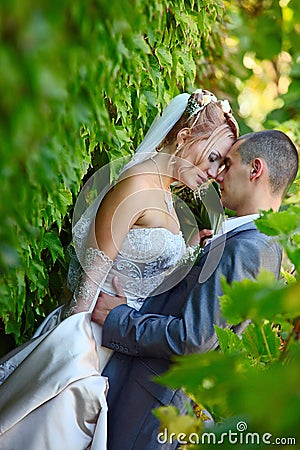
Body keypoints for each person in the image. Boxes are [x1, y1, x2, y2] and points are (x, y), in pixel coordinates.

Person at [0, 89, 239, 450]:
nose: (212, 173)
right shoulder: (134, 186)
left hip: (122, 344)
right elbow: (90, 279)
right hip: (86, 345)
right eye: (212, 158)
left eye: (220, 166)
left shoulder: (165, 195)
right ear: (186, 137)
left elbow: (148, 269)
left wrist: (192, 252)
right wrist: (75, 363)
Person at [91, 129, 299, 450]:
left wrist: (119, 318)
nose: (217, 175)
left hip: (150, 406)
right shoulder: (255, 241)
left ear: (255, 170)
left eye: (228, 164)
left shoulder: (249, 247)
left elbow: (193, 339)